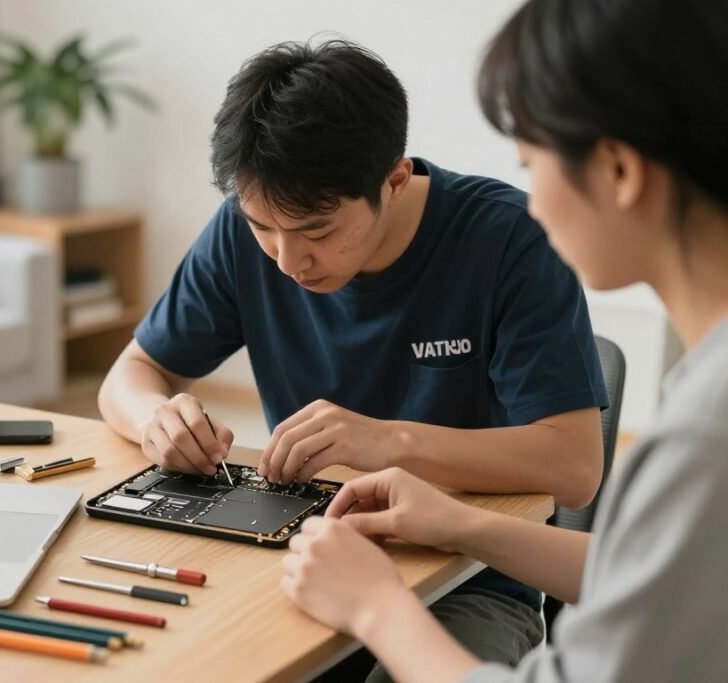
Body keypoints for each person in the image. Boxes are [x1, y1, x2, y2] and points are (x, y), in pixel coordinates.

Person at [99, 38, 608, 667]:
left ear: (393, 181)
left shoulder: (508, 241)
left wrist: (387, 441)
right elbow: (131, 373)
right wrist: (156, 418)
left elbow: (576, 467)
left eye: (318, 232)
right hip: (301, 561)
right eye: (264, 229)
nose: (288, 262)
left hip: (465, 579)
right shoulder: (243, 230)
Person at [280, 1, 728, 681]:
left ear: (618, 170)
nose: (535, 202)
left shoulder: (705, 435)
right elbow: (651, 579)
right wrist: (463, 524)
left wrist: (376, 606)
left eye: (530, 162)